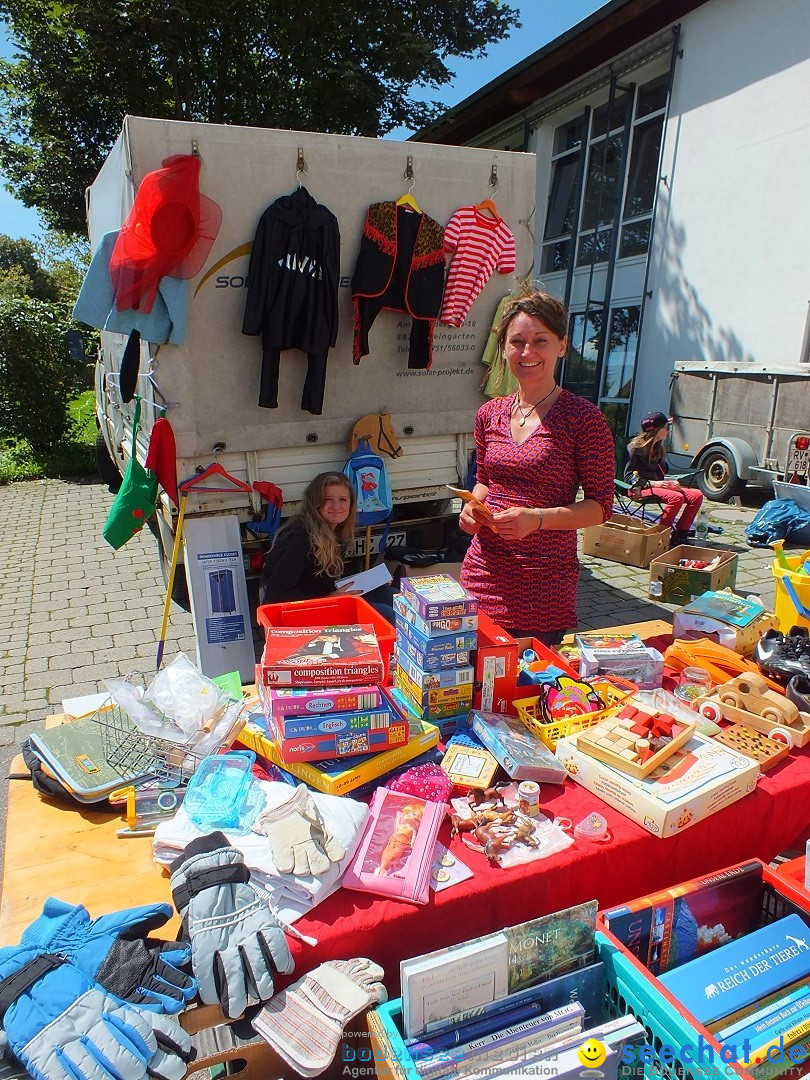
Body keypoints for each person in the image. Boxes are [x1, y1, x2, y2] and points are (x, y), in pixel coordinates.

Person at [459, 291, 615, 647]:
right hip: (482, 572)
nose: (527, 353)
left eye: (540, 341)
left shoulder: (584, 420)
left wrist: (537, 518)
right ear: (504, 349)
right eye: (517, 342)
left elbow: (600, 507)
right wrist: (471, 508)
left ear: (562, 345)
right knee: (468, 682)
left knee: (524, 691)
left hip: (542, 585)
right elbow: (485, 481)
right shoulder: (489, 414)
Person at [258, 471, 396, 623]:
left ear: (351, 503)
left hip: (321, 600)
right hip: (296, 614)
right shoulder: (302, 536)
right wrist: (327, 599)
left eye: (342, 499)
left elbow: (322, 578)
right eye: (327, 499)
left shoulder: (334, 531)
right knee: (387, 614)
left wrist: (372, 581)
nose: (336, 506)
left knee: (392, 596)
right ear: (315, 503)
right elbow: (275, 595)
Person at [625, 411, 703, 543]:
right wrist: (656, 484)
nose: (668, 431)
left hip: (657, 486)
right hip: (640, 488)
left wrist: (670, 482)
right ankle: (661, 536)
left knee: (697, 495)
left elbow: (660, 474)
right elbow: (628, 477)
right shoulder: (635, 449)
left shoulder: (658, 449)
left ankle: (680, 534)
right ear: (657, 430)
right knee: (676, 497)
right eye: (666, 427)